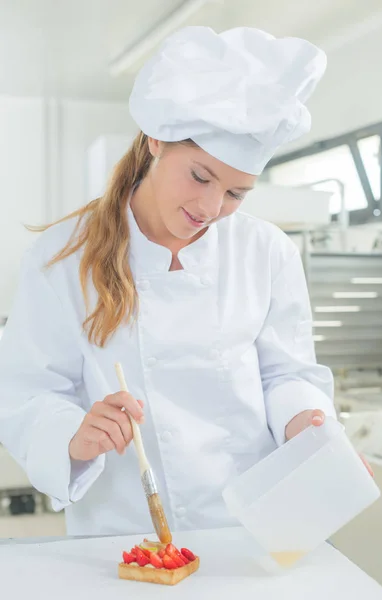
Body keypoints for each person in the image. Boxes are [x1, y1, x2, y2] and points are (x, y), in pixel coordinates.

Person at [0, 26, 359, 537]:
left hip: (249, 529)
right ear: (156, 140)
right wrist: (73, 435)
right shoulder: (63, 257)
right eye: (200, 176)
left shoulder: (267, 251)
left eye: (237, 193)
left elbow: (286, 375)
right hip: (121, 533)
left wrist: (310, 429)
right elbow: (28, 391)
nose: (211, 209)